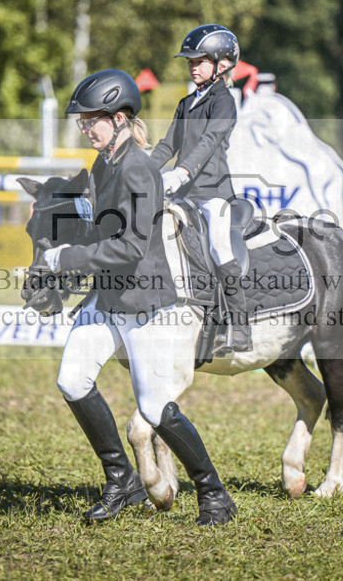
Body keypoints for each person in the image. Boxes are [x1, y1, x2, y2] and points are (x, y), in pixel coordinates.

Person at [37, 69, 238, 526]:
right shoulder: (105, 163)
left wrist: (69, 257)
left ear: (120, 116)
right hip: (107, 299)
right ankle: (121, 480)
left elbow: (129, 247)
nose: (86, 128)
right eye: (83, 122)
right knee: (72, 380)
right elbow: (102, 230)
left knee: (155, 409)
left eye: (93, 121)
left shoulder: (139, 168)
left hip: (145, 302)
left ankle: (214, 493)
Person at [150, 24, 252, 353]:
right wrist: (143, 170)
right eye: (191, 62)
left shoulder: (224, 103)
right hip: (182, 193)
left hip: (213, 193)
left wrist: (181, 171)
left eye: (200, 61)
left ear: (222, 64)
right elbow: (168, 144)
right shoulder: (185, 103)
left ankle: (240, 326)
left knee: (220, 247)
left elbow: (209, 143)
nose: (193, 66)